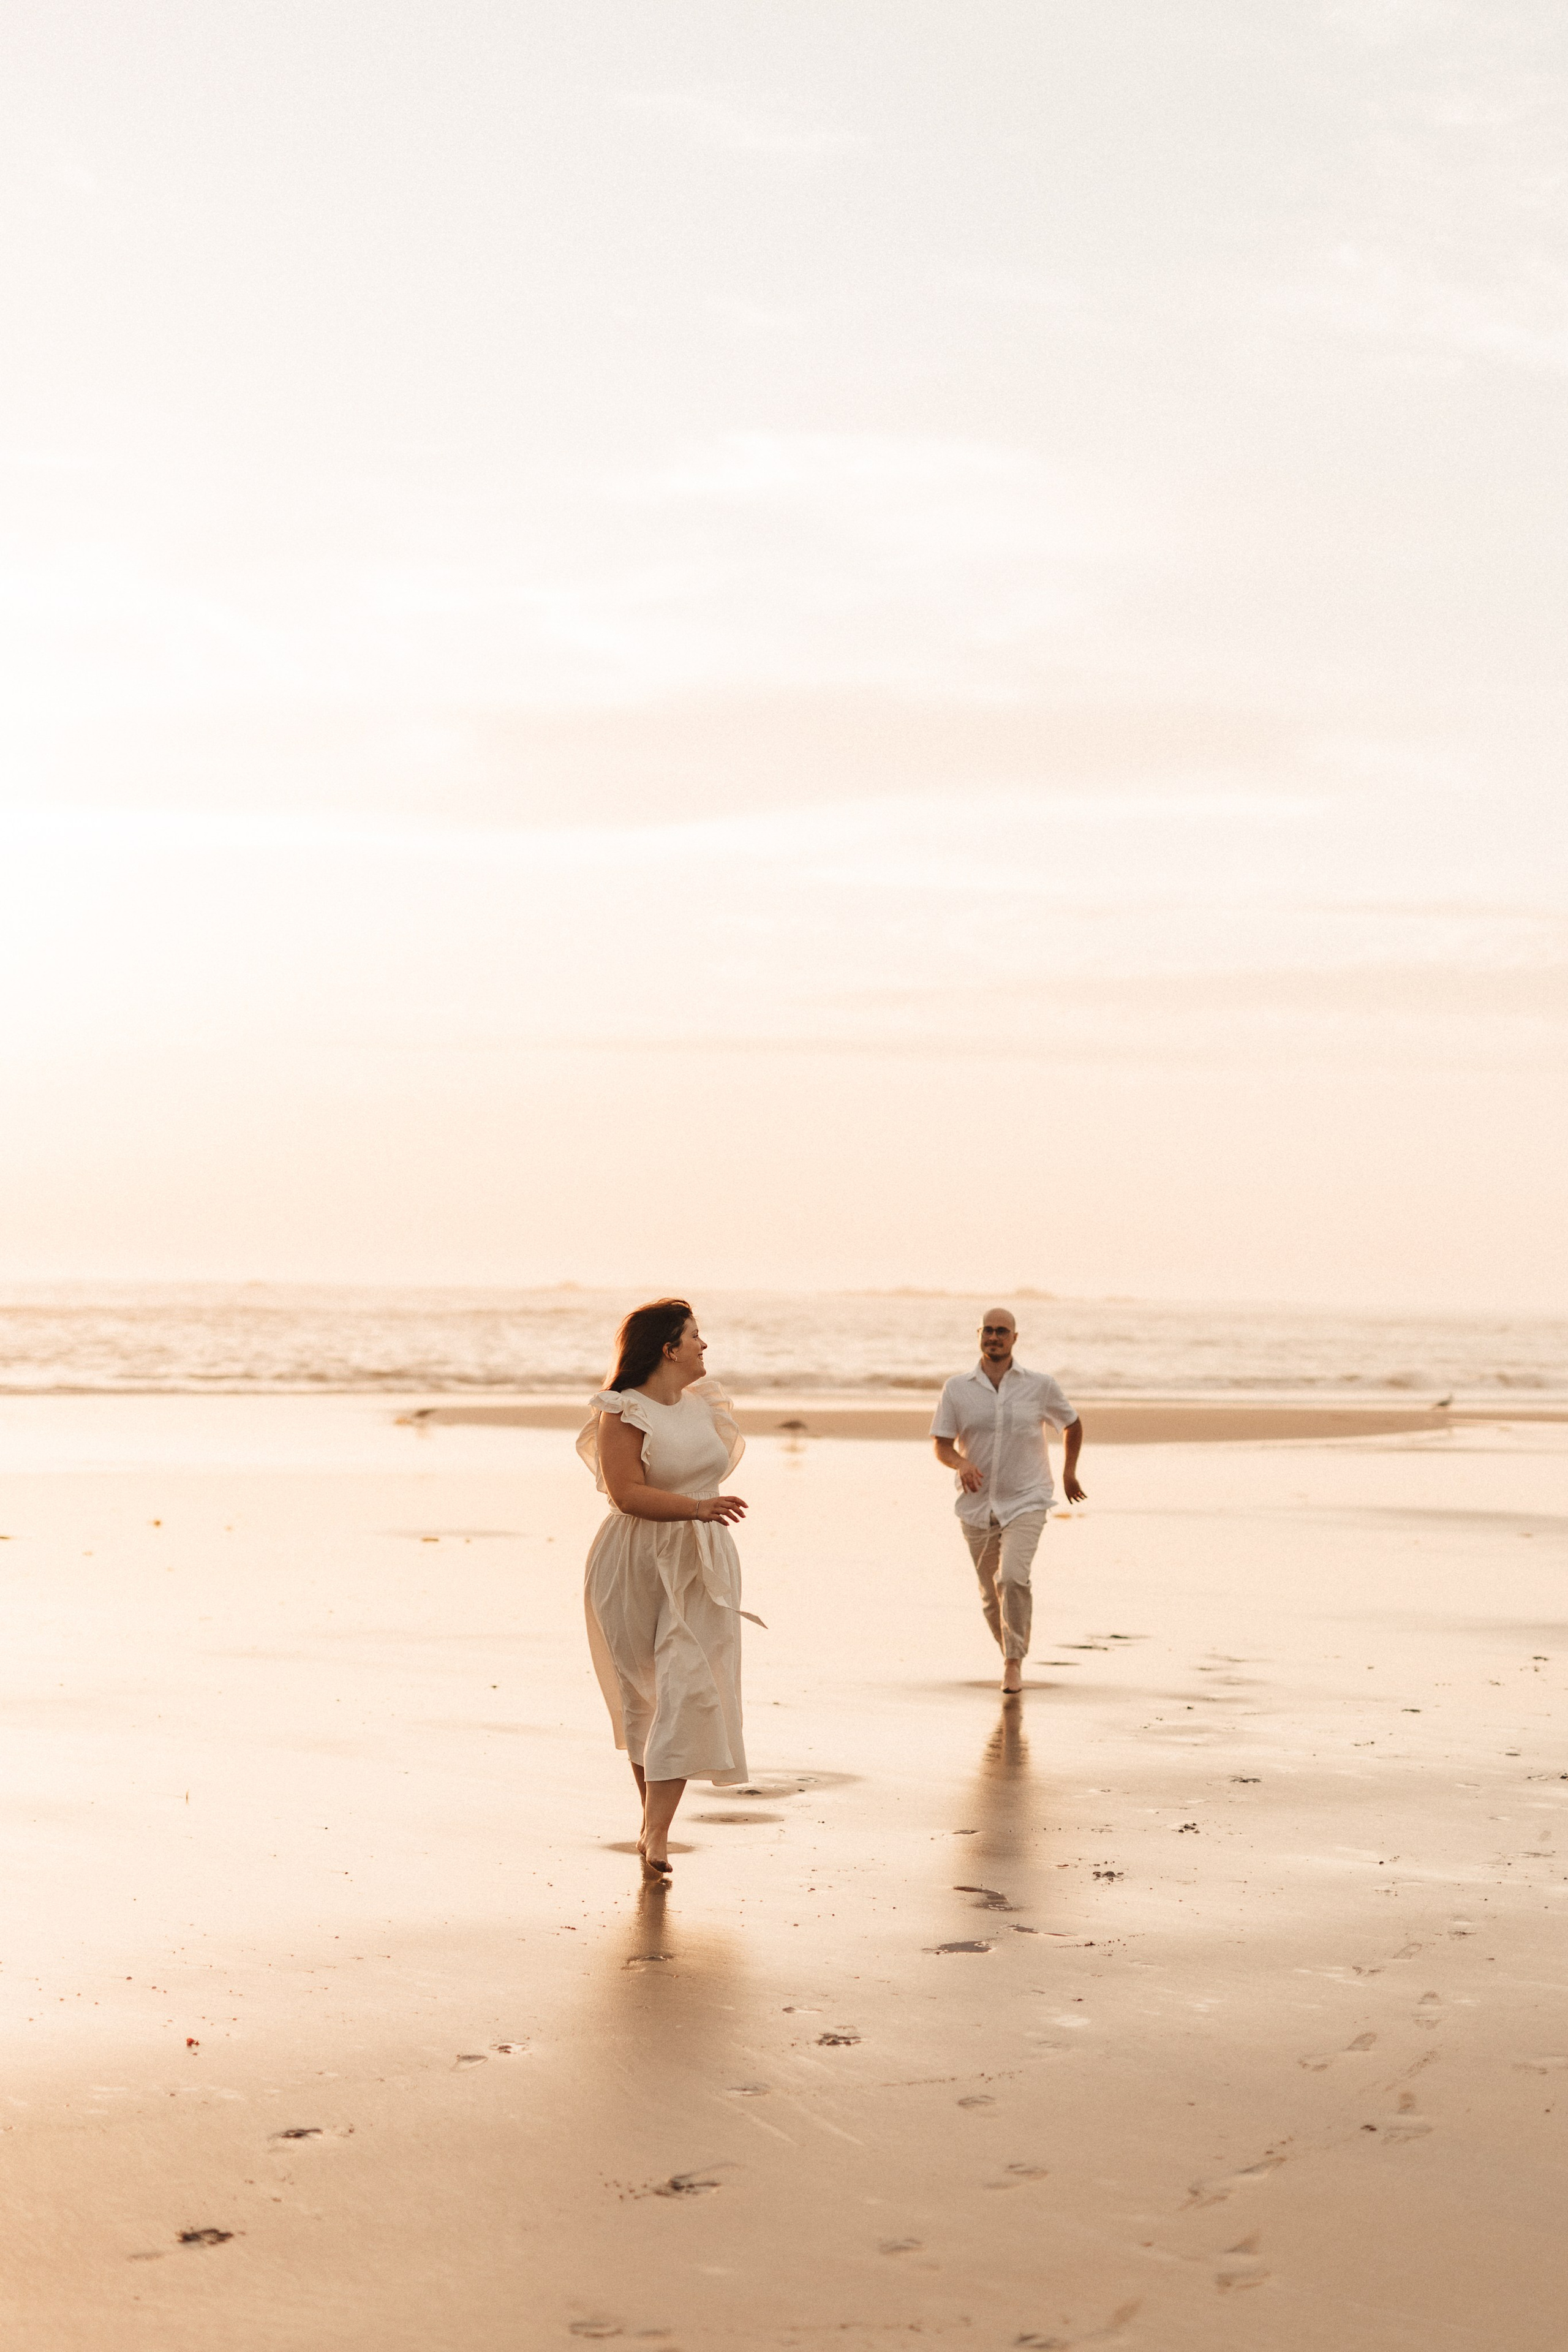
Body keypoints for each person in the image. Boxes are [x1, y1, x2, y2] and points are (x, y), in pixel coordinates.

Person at [576, 1298, 752, 1880]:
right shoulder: (622, 1410)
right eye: (695, 1336)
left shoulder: (705, 1405)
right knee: (644, 1700)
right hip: (635, 1562)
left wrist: (703, 1513)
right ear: (667, 1348)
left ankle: (656, 1832)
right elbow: (626, 1493)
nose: (705, 1346)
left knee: (690, 1687)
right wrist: (698, 1507)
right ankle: (652, 1824)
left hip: (701, 1561)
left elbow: (709, 1472)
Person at [930, 1308, 1085, 1694]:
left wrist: (1068, 1473)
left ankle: (1014, 1662)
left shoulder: (1040, 1385)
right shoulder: (957, 1388)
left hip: (1027, 1498)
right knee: (989, 1595)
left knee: (1012, 1578)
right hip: (977, 1505)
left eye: (1003, 1331)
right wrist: (961, 1463)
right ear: (979, 1334)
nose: (994, 1337)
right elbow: (942, 1444)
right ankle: (1008, 1653)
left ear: (1015, 1338)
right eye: (988, 1330)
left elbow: (1072, 1423)